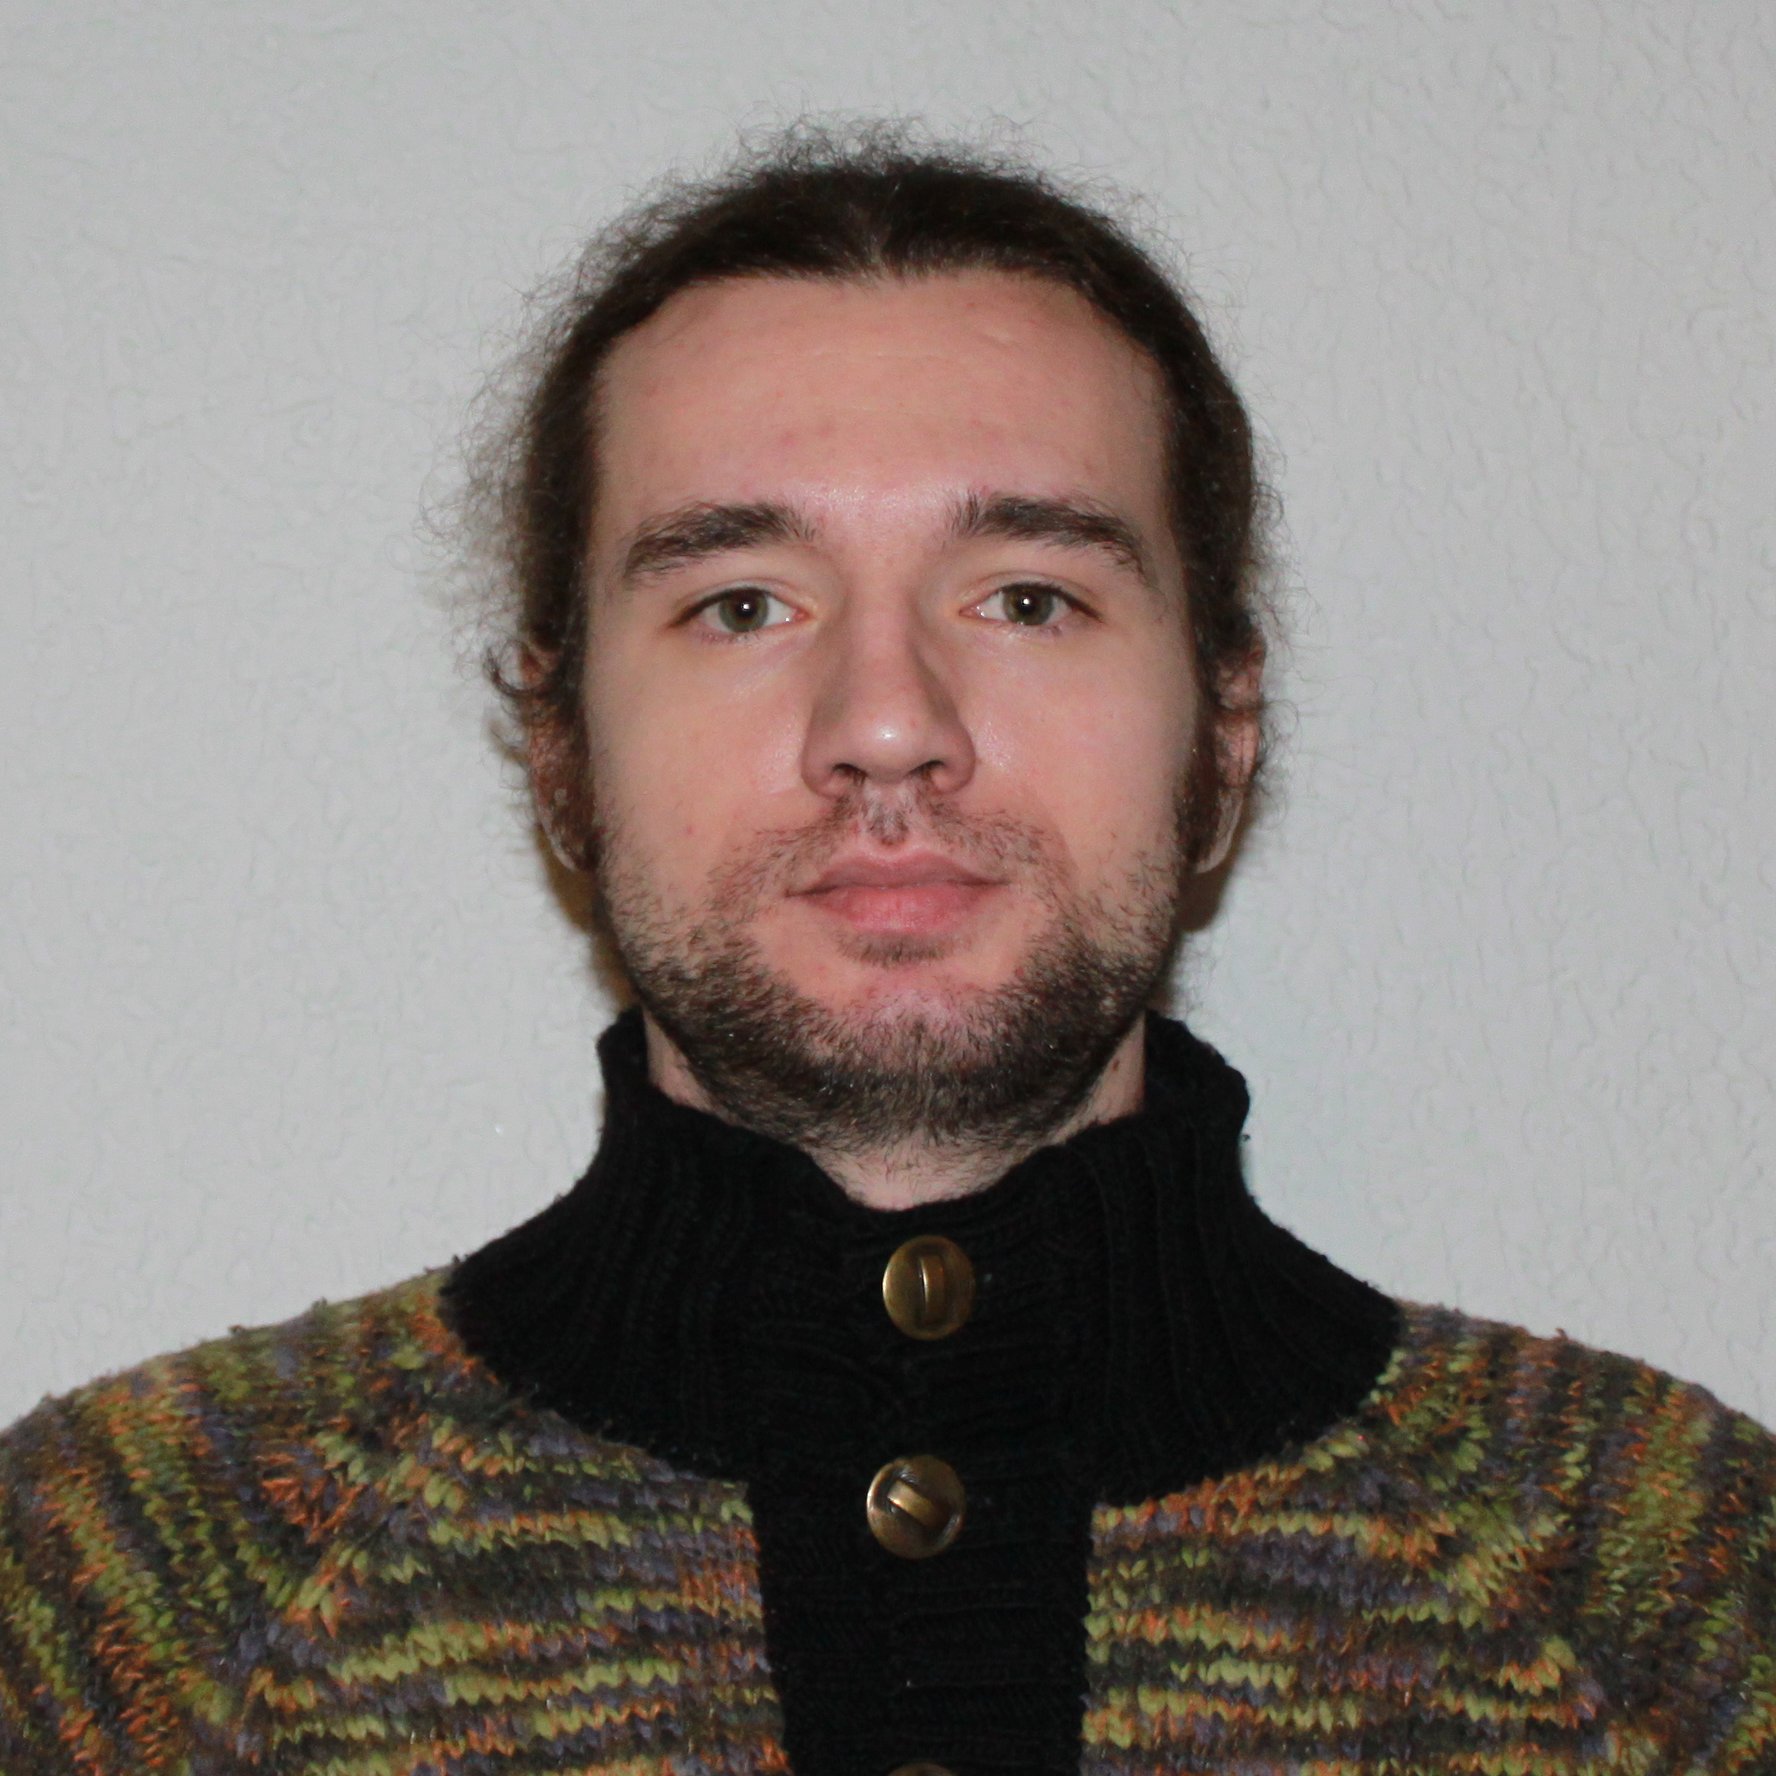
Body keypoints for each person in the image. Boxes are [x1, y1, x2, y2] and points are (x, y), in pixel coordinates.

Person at [2, 130, 1771, 1776]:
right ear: (560, 754)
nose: (888, 725)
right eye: (741, 604)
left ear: (1225, 736)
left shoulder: (1676, 1592)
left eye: (1029, 598)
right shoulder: (119, 1600)